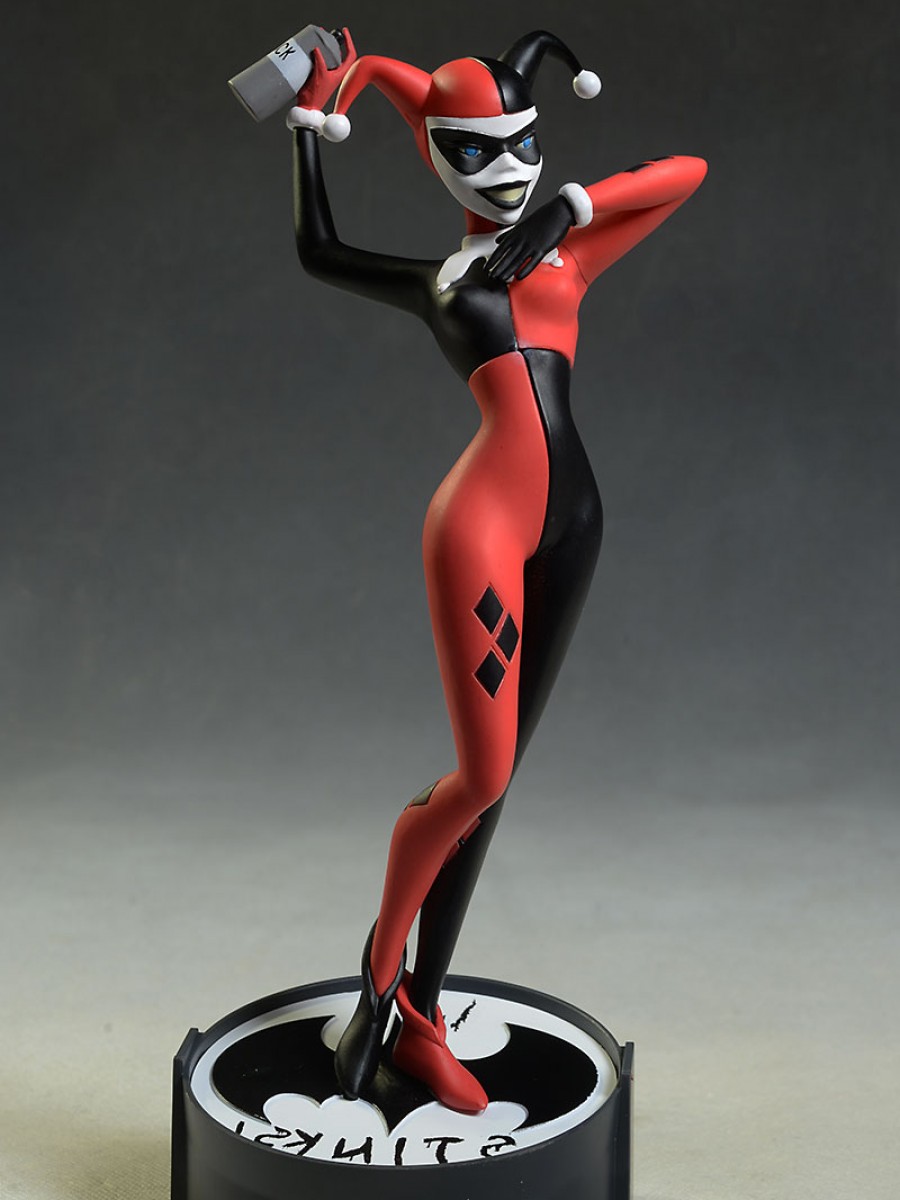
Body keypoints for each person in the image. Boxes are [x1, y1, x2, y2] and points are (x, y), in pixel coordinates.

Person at [287, 27, 706, 1114]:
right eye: (473, 151)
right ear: (432, 154)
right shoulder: (438, 280)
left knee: (501, 781)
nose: (505, 167)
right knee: (476, 778)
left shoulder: (568, 251)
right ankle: (382, 970)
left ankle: (420, 1015)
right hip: (481, 529)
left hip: (576, 523)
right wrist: (308, 132)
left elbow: (687, 173)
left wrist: (571, 205)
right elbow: (318, 252)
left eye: (520, 142)